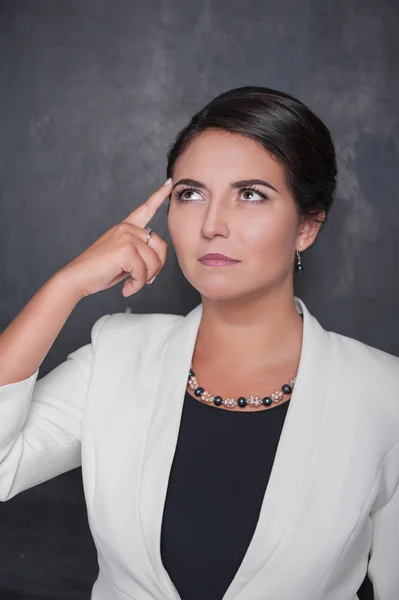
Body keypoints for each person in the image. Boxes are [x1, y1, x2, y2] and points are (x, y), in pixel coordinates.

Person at [0, 86, 398, 600]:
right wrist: (65, 286)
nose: (213, 225)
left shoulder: (384, 395)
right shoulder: (118, 356)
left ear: (307, 225)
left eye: (251, 194)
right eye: (190, 194)